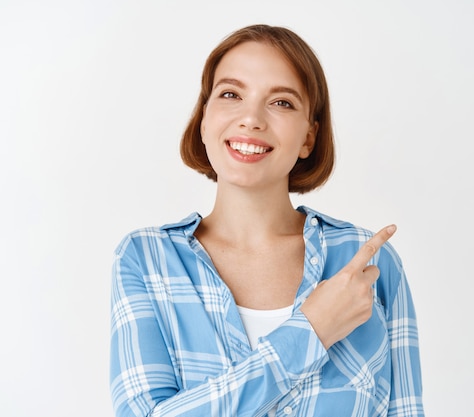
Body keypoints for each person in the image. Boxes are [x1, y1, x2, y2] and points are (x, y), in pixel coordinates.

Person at [110, 24, 424, 417]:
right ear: (204, 118)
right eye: (230, 94)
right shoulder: (147, 259)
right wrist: (312, 330)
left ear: (310, 136)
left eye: (282, 103)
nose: (251, 119)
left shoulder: (365, 263)